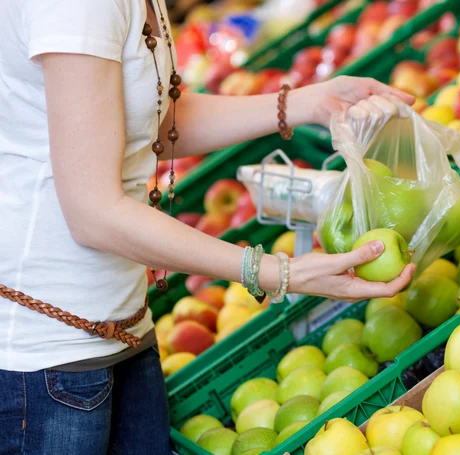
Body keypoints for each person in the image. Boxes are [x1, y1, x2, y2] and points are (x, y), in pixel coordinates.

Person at [0, 0, 416, 453]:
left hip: (122, 325)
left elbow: (153, 121)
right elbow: (93, 212)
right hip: (49, 354)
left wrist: (308, 101)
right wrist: (278, 272)